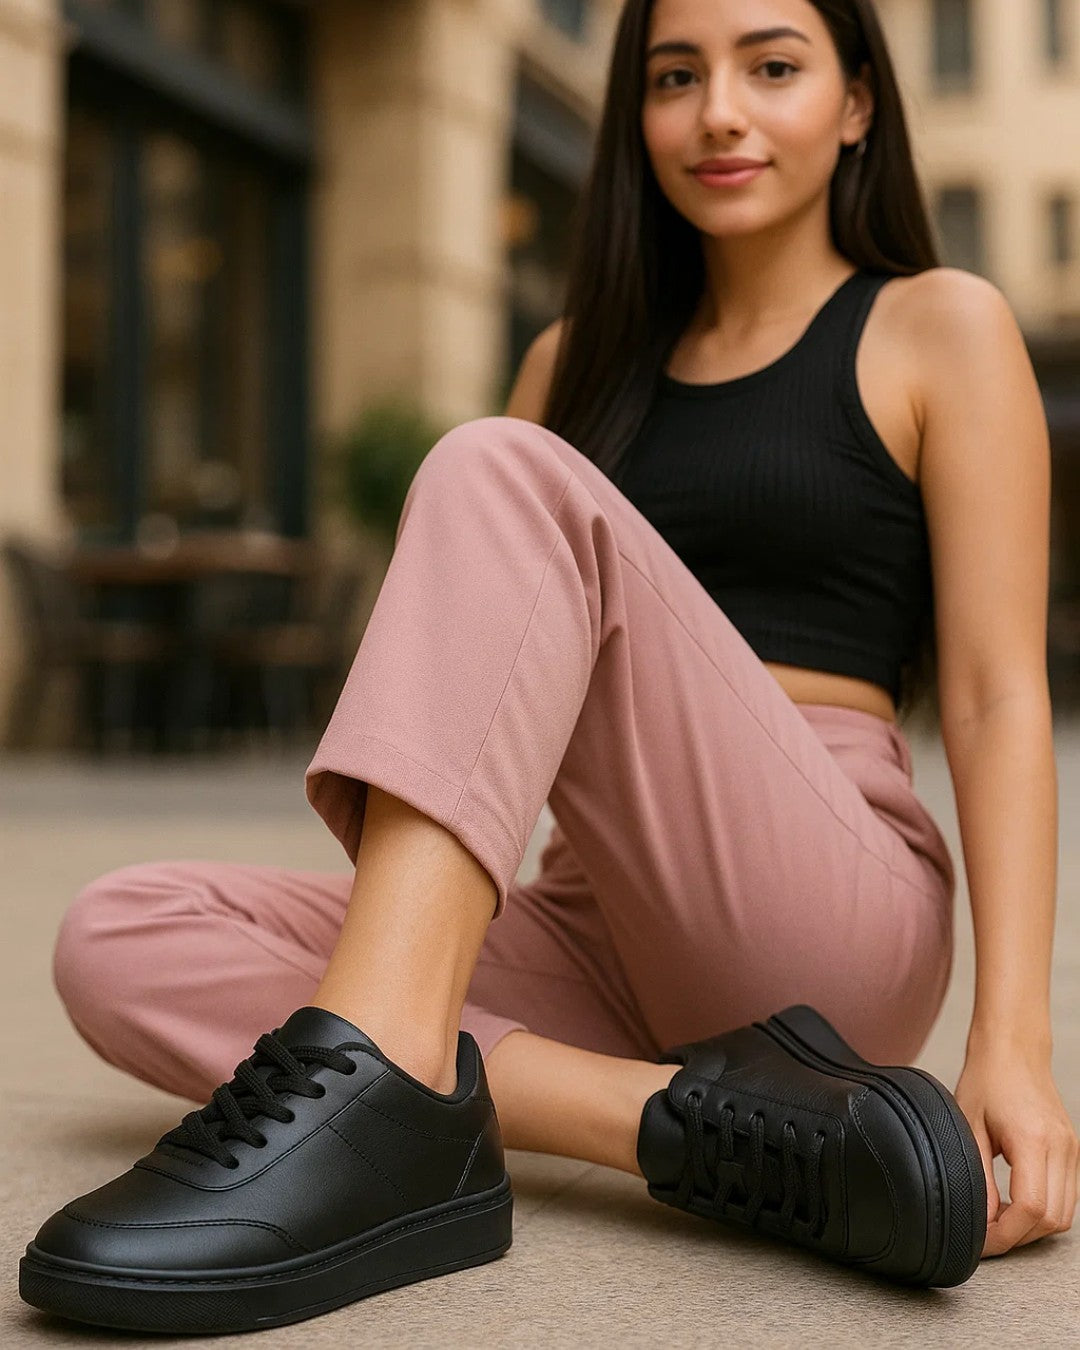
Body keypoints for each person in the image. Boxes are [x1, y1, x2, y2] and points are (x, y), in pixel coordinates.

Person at [22, 0, 1078, 1333]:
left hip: (821, 899)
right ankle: (693, 1126)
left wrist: (1013, 1047)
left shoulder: (939, 325)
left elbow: (994, 694)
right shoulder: (569, 361)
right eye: (677, 76)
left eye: (773, 67)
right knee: (118, 933)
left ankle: (393, 1101)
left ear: (859, 102)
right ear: (637, 114)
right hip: (596, 915)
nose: (722, 114)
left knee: (494, 466)